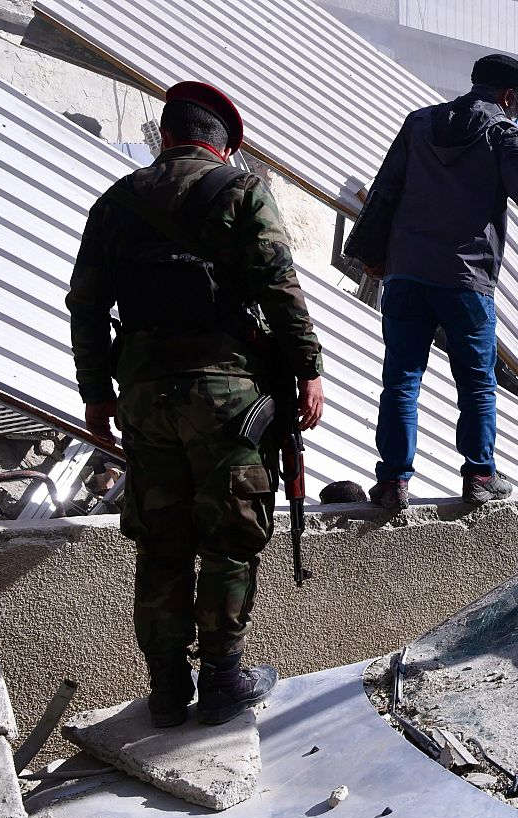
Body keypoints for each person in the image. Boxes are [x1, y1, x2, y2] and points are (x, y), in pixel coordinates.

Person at [68, 82, 326, 728]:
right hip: (227, 397)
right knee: (228, 540)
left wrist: (97, 392)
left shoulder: (115, 203)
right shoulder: (240, 192)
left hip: (146, 398)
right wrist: (309, 371)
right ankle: (221, 680)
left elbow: (87, 306)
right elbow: (279, 290)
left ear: (164, 136)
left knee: (160, 544)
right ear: (224, 146)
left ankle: (165, 690)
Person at [344, 53, 518, 510]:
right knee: (477, 382)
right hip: (465, 278)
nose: (517, 109)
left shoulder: (418, 124)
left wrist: (372, 255)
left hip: (406, 273)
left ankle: (393, 483)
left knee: (401, 378)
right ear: (507, 95)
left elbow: (384, 189)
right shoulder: (500, 131)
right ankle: (480, 476)